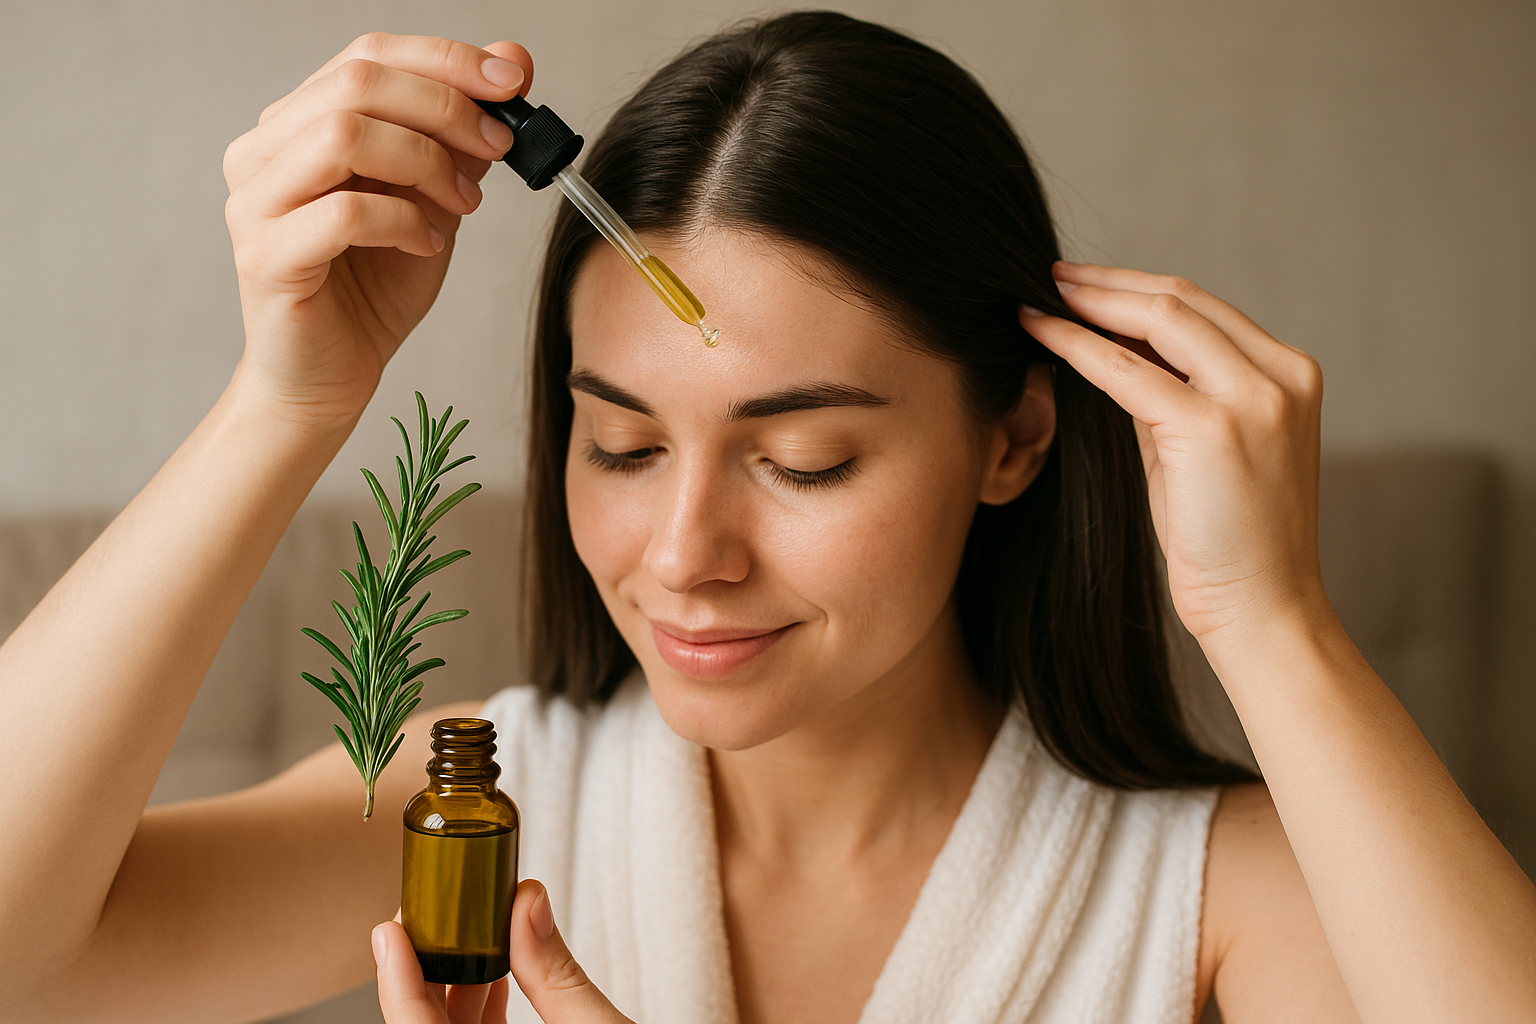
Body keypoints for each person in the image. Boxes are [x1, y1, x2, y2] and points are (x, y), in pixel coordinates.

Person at [0, 12, 1531, 1024]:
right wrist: (285, 402)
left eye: (803, 464)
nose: (682, 560)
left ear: (1011, 440)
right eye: (620, 444)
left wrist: (1275, 620)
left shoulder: (1219, 892)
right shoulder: (479, 809)